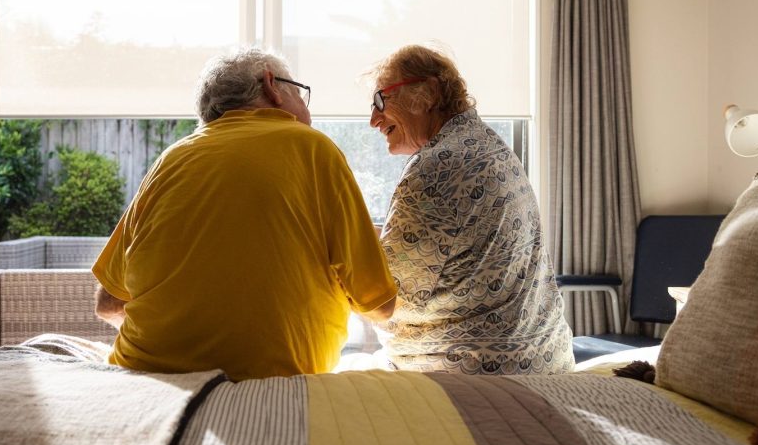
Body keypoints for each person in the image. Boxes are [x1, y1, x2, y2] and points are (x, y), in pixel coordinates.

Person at [92, 47, 397, 381]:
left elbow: (108, 304)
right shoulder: (312, 148)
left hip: (144, 376)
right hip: (274, 380)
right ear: (271, 85)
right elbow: (379, 306)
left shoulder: (172, 159)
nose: (307, 113)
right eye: (300, 94)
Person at [367, 45, 574, 375]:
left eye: (381, 100)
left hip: (481, 375)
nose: (373, 120)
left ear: (428, 93)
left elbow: (383, 300)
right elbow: (430, 248)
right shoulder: (487, 145)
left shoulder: (435, 168)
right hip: (546, 363)